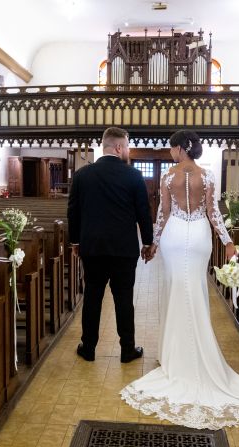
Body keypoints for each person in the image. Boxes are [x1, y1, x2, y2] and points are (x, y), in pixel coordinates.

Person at [120, 130, 239, 429]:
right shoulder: (206, 176)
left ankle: (172, 355)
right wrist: (228, 241)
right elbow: (213, 212)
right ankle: (193, 350)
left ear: (181, 148)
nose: (170, 153)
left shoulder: (169, 177)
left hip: (175, 235)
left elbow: (163, 215)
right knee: (194, 289)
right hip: (200, 239)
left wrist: (153, 243)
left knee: (173, 290)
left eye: (171, 148)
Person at [67, 127, 154, 363]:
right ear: (118, 147)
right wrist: (148, 242)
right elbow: (143, 213)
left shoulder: (82, 175)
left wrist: (75, 241)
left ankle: (88, 348)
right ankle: (127, 349)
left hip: (92, 248)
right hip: (124, 250)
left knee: (92, 297)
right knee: (124, 299)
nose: (127, 150)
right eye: (126, 146)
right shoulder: (133, 176)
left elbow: (73, 212)